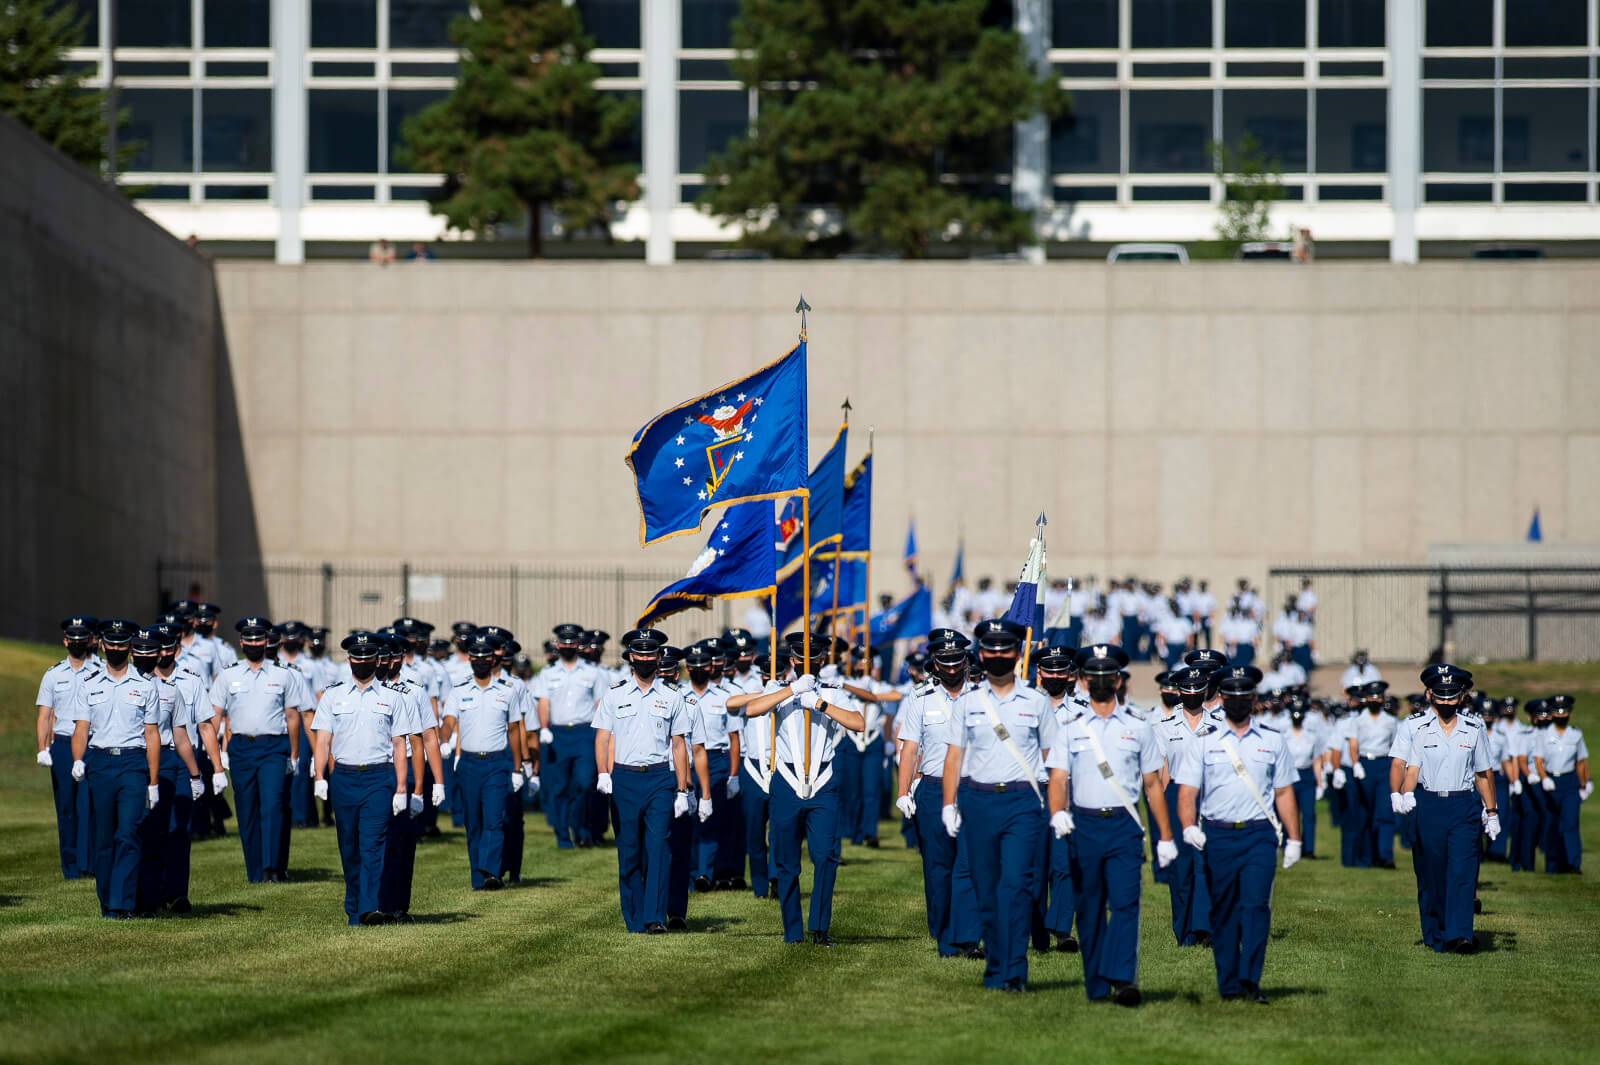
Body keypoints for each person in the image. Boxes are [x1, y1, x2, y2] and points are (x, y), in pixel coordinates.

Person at [1047, 643, 1175, 1006]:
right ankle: (1097, 983)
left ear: (1118, 680)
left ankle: (1123, 978)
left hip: (1124, 826)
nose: (1102, 681)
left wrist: (1165, 837)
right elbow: (1057, 779)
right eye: (1095, 675)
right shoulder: (1070, 729)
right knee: (1089, 908)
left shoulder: (1138, 726)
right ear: (1084, 680)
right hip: (1084, 825)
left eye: (1109, 675)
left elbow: (1152, 784)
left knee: (1125, 903)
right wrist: (1058, 812)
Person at [937, 620, 1056, 992]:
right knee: (986, 890)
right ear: (981, 654)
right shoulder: (969, 702)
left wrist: (1058, 808)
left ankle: (1015, 971)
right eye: (992, 648)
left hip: (1024, 801)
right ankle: (995, 968)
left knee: (1016, 887)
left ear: (1018, 653)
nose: (999, 655)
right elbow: (954, 756)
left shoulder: (1036, 701)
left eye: (1007, 648)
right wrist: (948, 804)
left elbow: (1054, 759)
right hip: (978, 800)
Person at [1174, 667, 1302, 1004]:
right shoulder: (1205, 743)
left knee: (1256, 907)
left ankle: (1250, 980)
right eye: (1232, 695)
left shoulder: (1272, 740)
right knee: (1224, 910)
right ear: (1222, 698)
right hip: (1218, 834)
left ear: (1254, 699)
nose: (1238, 701)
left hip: (1259, 834)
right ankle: (1228, 982)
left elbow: (1285, 792)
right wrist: (1188, 826)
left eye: (1245, 695)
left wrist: (1295, 838)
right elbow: (1187, 791)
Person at [739, 632, 863, 946]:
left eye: (815, 657)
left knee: (826, 857)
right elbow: (752, 710)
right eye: (801, 657)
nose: (808, 662)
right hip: (787, 780)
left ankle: (819, 927)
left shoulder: (833, 691)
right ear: (792, 660)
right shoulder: (779, 689)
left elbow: (858, 722)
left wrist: (818, 703)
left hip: (822, 780)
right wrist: (793, 690)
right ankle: (792, 931)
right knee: (786, 861)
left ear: (822, 659)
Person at [310, 633, 417, 925]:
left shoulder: (392, 698)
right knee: (349, 846)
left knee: (373, 844)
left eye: (368, 657)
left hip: (379, 778)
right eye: (357, 657)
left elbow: (399, 746)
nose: (362, 662)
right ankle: (355, 907)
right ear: (349, 660)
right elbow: (322, 740)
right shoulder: (333, 695)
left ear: (377, 660)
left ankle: (370, 908)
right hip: (344, 777)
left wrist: (401, 787)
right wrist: (320, 775)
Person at [594, 629, 692, 934]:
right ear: (631, 658)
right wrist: (603, 774)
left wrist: (682, 789)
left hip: (660, 778)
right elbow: (602, 738)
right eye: (641, 654)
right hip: (623, 778)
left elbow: (679, 745)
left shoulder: (672, 696)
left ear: (660, 657)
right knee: (629, 851)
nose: (646, 659)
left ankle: (655, 918)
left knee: (659, 848)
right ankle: (634, 919)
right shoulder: (614, 694)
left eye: (652, 654)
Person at [1397, 665, 1498, 953]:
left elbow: (1482, 773)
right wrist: (1405, 794)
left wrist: (1492, 812)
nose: (1445, 702)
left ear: (1462, 697)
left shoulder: (1475, 728)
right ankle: (1437, 932)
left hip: (1463, 804)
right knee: (1433, 874)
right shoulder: (1419, 729)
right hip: (1430, 804)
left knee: (1462, 871)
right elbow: (1412, 768)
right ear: (1430, 695)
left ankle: (1461, 934)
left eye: (1451, 696)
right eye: (1440, 696)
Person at [68, 620, 162, 918]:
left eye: (123, 644)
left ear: (130, 648)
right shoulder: (90, 684)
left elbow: (152, 735)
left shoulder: (145, 686)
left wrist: (154, 781)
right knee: (104, 837)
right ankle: (107, 901)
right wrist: (78, 760)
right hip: (100, 762)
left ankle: (124, 903)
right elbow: (81, 728)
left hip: (133, 764)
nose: (117, 649)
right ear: (103, 645)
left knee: (128, 832)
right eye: (113, 643)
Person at [895, 630, 978, 957]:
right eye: (945, 663)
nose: (953, 670)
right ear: (935, 664)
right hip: (931, 787)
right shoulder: (920, 698)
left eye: (957, 662)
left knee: (970, 865)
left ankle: (968, 939)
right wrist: (904, 791)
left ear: (966, 661)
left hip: (972, 788)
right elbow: (910, 747)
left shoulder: (981, 695)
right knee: (938, 868)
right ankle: (944, 936)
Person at [210, 616, 302, 883]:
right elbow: (215, 715)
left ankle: (272, 867)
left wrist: (294, 755)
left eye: (258, 638)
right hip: (240, 747)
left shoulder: (283, 674)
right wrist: (218, 753)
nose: (253, 643)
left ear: (267, 641)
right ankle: (255, 870)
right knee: (246, 808)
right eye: (248, 639)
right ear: (241, 642)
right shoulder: (229, 675)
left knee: (272, 804)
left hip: (273, 747)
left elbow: (293, 716)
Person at [439, 632, 526, 891]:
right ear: (470, 660)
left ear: (493, 659)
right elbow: (448, 721)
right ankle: (478, 877)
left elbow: (514, 730)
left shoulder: (507, 692)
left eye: (485, 657)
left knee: (494, 819)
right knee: (474, 822)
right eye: (476, 657)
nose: (480, 661)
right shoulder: (458, 691)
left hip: (497, 764)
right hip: (468, 763)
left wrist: (518, 768)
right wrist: (445, 741)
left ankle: (491, 871)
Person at [150, 621, 226, 912]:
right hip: (153, 758)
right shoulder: (142, 680)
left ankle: (177, 892)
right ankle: (152, 890)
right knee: (154, 826)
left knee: (179, 826)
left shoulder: (192, 681)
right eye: (160, 648)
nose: (164, 653)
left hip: (183, 760)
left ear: (177, 649)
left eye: (169, 647)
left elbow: (206, 726)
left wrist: (217, 768)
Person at [35, 616, 101, 880]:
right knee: (66, 807)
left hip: (92, 744)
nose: (76, 643)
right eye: (72, 639)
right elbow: (44, 714)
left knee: (90, 805)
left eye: (81, 638)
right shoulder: (53, 675)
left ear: (89, 640)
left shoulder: (100, 670)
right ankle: (71, 867)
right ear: (65, 641)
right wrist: (42, 747)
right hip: (62, 743)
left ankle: (89, 864)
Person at [1156, 667, 1218, 947]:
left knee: (1205, 862)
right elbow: (1163, 772)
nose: (1192, 695)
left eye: (1198, 689)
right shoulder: (1165, 727)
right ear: (1180, 691)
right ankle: (1184, 931)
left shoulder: (1219, 723)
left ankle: (1205, 927)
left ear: (1205, 690)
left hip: (1208, 794)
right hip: (1177, 793)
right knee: (1181, 869)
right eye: (1187, 689)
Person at [536, 623, 610, 849]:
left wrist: (603, 732)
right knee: (559, 787)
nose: (567, 646)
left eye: (572, 642)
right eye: (564, 642)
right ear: (558, 645)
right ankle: (562, 835)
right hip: (557, 733)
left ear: (578, 645)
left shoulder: (592, 672)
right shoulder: (547, 674)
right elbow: (543, 703)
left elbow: (600, 704)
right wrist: (544, 728)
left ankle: (581, 829)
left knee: (585, 782)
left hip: (584, 732)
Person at [1035, 644, 1087, 953]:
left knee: (1064, 863)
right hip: (1032, 791)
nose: (1055, 675)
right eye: (1049, 670)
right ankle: (1036, 928)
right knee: (1033, 865)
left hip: (1068, 792)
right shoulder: (1025, 704)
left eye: (1060, 670)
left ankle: (1061, 929)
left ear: (1069, 673)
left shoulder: (1082, 708)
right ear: (1039, 672)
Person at [684, 643, 735, 893]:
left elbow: (734, 736)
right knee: (688, 819)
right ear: (686, 669)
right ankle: (692, 872)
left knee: (711, 819)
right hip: (685, 761)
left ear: (711, 666)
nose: (698, 670)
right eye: (693, 666)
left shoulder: (722, 697)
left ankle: (705, 872)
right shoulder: (679, 695)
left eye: (703, 666)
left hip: (716, 760)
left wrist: (733, 774)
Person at [1533, 694, 1589, 873]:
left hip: (1570, 781)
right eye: (1557, 711)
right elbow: (1538, 760)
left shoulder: (1576, 734)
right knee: (1551, 823)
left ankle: (1573, 862)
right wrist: (1544, 778)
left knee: (1570, 823)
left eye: (1564, 711)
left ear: (1569, 712)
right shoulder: (1543, 734)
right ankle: (1553, 863)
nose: (1561, 715)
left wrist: (1584, 784)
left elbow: (1581, 762)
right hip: (1551, 781)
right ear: (1552, 713)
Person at [1346, 680, 1397, 869]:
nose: (1375, 700)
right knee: (1364, 812)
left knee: (1384, 812)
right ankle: (1365, 856)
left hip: (1384, 764)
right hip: (1364, 763)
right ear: (1366, 699)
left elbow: (1394, 745)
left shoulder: (1390, 721)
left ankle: (1385, 856)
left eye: (1378, 696)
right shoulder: (1357, 720)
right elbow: (1353, 745)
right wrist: (1356, 764)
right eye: (1372, 696)